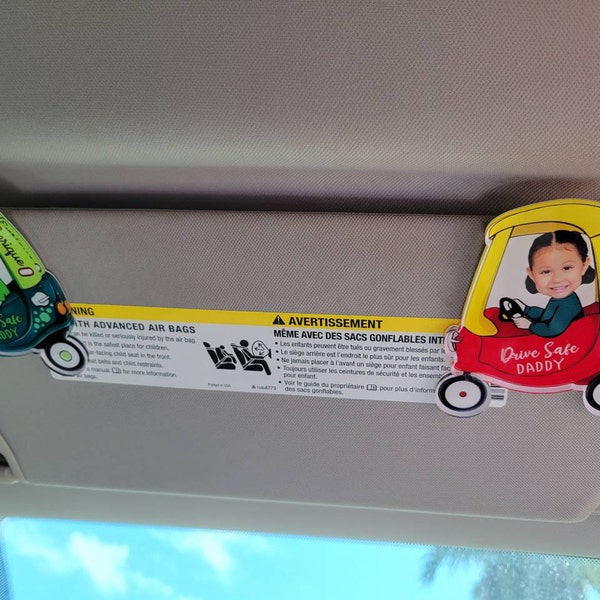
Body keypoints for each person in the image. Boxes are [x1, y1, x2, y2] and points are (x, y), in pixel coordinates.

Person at [507, 230, 595, 338]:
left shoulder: (568, 303)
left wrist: (530, 325)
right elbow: (547, 316)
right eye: (546, 272)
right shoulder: (560, 299)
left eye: (567, 268)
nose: (557, 279)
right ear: (532, 274)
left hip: (569, 342)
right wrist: (526, 309)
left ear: (584, 266)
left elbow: (552, 329)